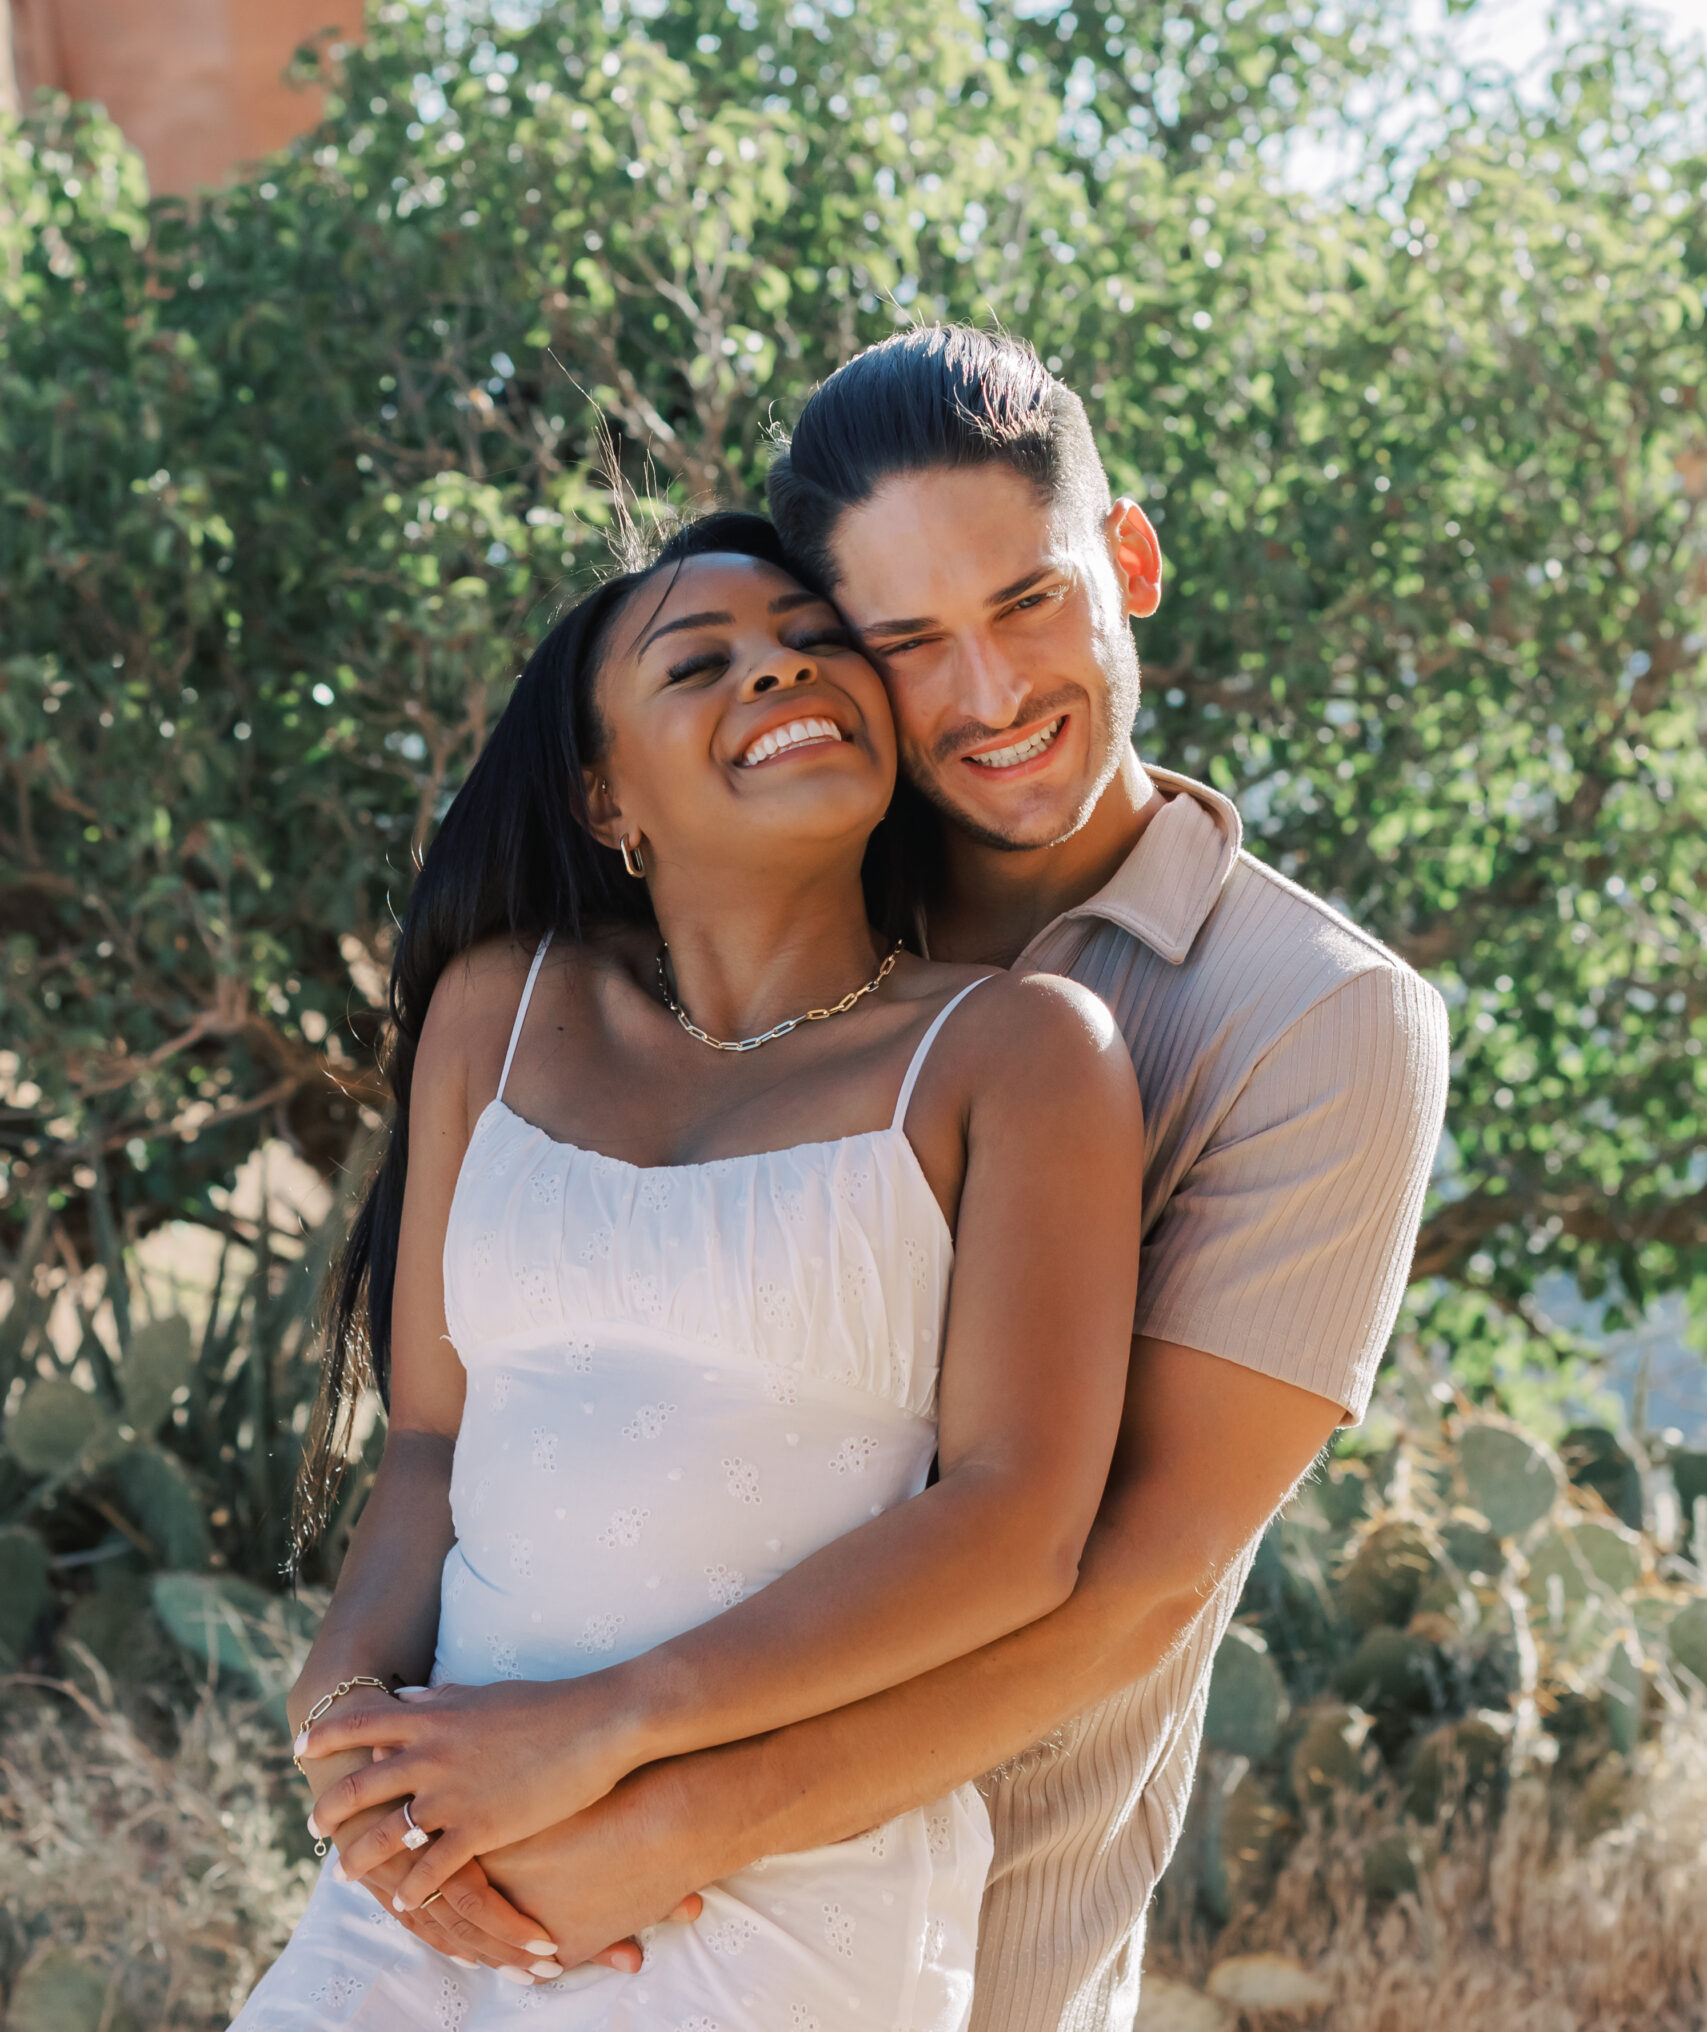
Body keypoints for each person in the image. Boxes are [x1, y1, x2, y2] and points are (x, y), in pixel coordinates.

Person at [361, 326, 1450, 2032]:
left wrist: (664, 1821)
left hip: (971, 1934)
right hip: (511, 1859)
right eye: (905, 641)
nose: (993, 697)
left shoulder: (1314, 1020)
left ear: (1131, 563)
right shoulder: (778, 879)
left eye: (1029, 602)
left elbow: (1132, 1582)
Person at [235, 508, 1144, 2029]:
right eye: (701, 662)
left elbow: (1017, 1525)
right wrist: (346, 1737)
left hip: (760, 1881)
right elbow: (430, 1445)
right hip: (438, 1860)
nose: (779, 675)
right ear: (605, 798)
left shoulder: (1018, 1053)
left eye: (810, 643)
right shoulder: (499, 1011)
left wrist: (601, 1737)